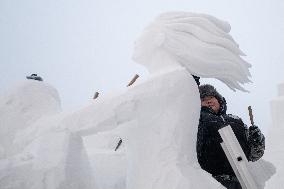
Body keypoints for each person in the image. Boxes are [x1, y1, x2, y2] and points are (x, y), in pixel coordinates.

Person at [196, 84, 265, 189]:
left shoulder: (236, 120)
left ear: (219, 100)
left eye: (211, 97)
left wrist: (257, 141)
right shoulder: (197, 121)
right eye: (203, 99)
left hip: (242, 180)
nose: (208, 101)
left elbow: (254, 155)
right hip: (212, 181)